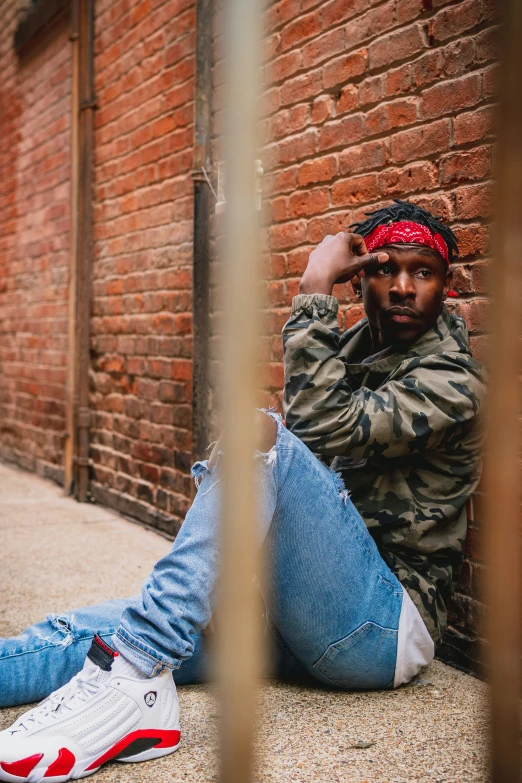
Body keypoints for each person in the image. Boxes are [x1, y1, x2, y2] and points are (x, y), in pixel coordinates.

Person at [0, 200, 485, 781]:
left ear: (446, 287)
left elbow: (315, 429)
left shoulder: (456, 381)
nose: (404, 287)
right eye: (385, 269)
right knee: (84, 635)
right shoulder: (351, 354)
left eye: (423, 272)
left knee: (261, 433)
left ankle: (134, 678)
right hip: (292, 612)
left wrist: (313, 288)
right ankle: (128, 660)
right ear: (362, 283)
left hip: (380, 632)